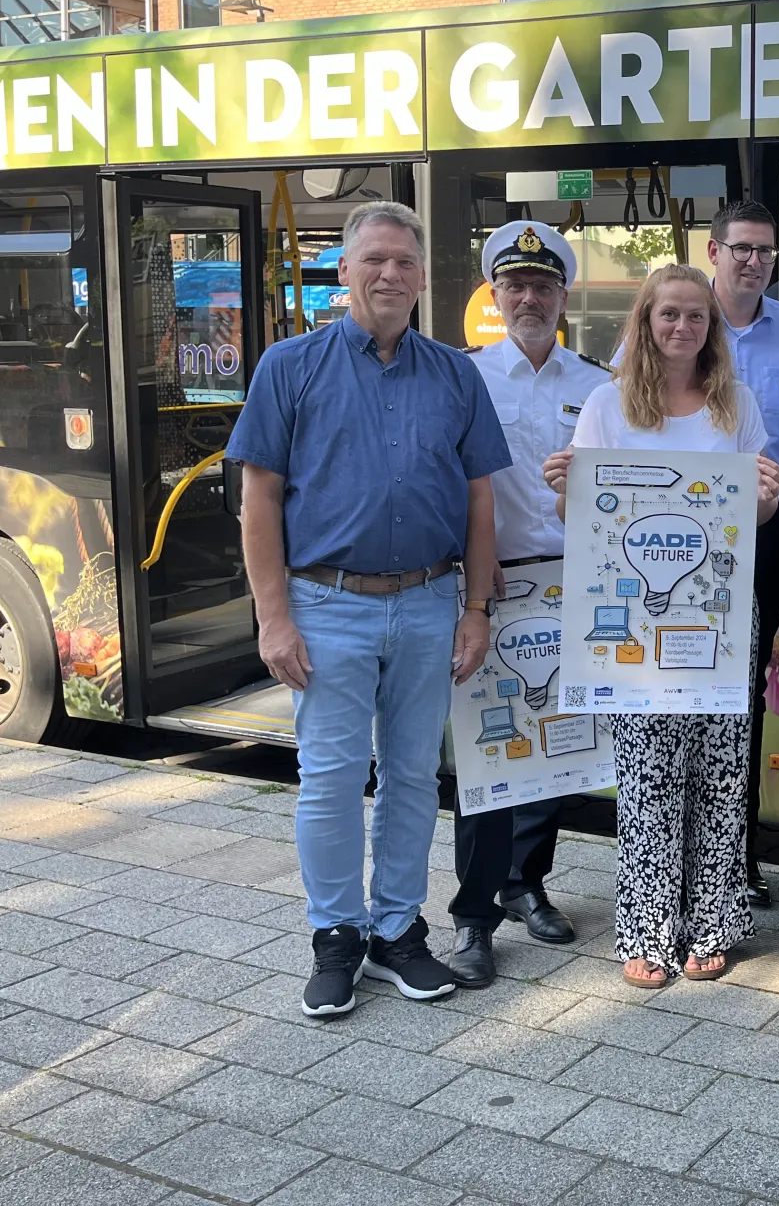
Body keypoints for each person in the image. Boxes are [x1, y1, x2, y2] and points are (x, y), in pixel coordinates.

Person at [229, 200, 509, 1018]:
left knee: (415, 779)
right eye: (375, 260)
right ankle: (336, 939)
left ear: (423, 278)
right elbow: (260, 499)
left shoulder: (456, 373)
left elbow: (479, 499)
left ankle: (396, 934)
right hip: (327, 606)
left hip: (428, 603)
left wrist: (476, 608)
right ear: (345, 271)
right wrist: (273, 616)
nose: (390, 274)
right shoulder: (290, 366)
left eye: (405, 263)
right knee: (330, 780)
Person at [544, 264, 779, 988]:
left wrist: (768, 496)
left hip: (717, 614)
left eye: (697, 317)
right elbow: (579, 520)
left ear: (713, 329)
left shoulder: (735, 403)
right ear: (644, 323)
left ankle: (712, 921)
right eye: (668, 315)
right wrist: (565, 489)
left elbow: (755, 517)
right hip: (634, 626)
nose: (682, 328)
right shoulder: (607, 403)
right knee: (648, 773)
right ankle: (648, 930)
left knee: (718, 770)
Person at [444, 220, 609, 988]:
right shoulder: (465, 377)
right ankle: (474, 917)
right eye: (515, 285)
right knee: (489, 755)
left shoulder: (598, 384)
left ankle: (526, 883)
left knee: (558, 749)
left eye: (543, 285)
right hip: (496, 583)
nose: (529, 297)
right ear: (496, 294)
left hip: (574, 582)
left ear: (563, 294)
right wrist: (469, 584)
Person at [702, 200, 779, 906]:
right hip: (688, 529)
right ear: (713, 250)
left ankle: (736, 860)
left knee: (745, 694)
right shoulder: (677, 315)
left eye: (766, 251)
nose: (753, 261)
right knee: (684, 690)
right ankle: (685, 853)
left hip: (770, 532)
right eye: (741, 248)